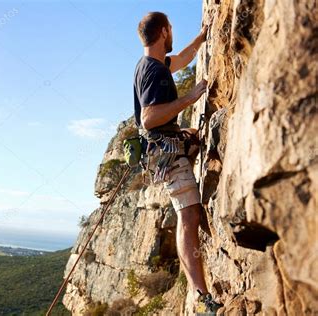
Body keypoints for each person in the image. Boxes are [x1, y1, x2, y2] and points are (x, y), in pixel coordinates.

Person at [133, 12, 222, 314]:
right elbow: (149, 118)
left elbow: (182, 59)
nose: (172, 34)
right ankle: (202, 293)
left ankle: (197, 288)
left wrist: (202, 37)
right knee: (189, 217)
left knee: (196, 135)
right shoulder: (153, 71)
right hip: (165, 151)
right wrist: (190, 98)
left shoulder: (154, 65)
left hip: (165, 146)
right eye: (171, 29)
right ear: (162, 32)